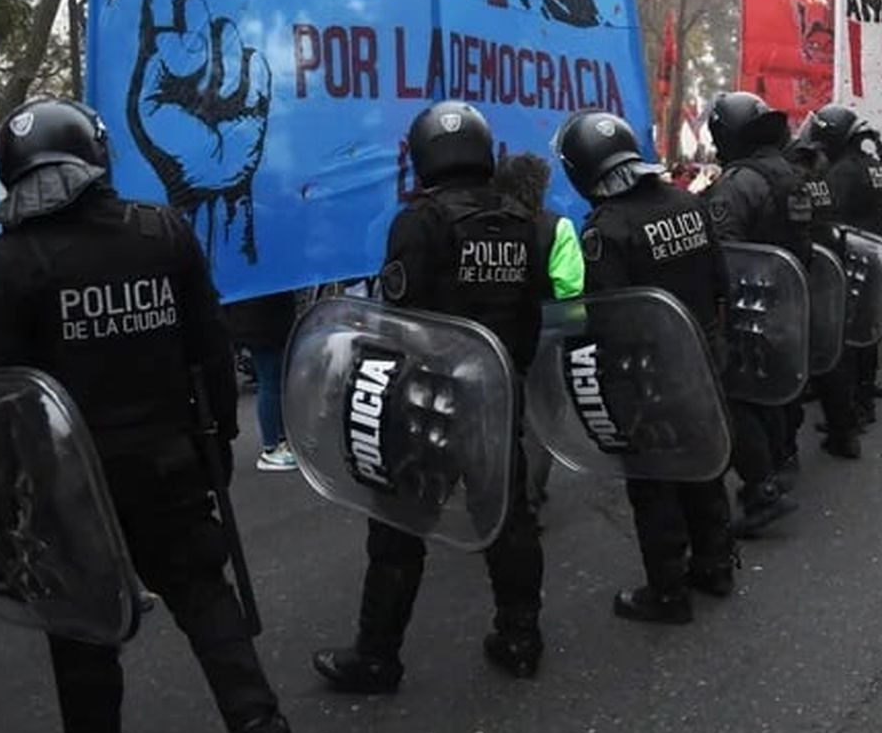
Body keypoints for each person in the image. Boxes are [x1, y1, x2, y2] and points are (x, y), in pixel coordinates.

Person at [0, 98, 291, 733]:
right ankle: (259, 725)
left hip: (66, 485)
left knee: (83, 631)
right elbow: (209, 348)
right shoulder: (160, 232)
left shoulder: (8, 263)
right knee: (203, 596)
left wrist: (1, 498)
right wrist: (218, 439)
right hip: (167, 463)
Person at [313, 102, 570, 691]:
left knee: (399, 528)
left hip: (428, 399)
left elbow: (399, 323)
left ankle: (377, 656)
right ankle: (521, 637)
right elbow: (532, 311)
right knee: (508, 521)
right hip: (497, 393)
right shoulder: (522, 220)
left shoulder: (420, 222)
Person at [555, 109, 736, 623]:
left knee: (654, 483)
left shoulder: (607, 229)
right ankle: (715, 565)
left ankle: (667, 592)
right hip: (701, 359)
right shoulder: (687, 202)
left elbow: (607, 318)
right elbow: (721, 279)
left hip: (647, 377)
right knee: (704, 466)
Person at [703, 91, 807, 535]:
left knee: (739, 396)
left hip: (752, 304)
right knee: (778, 387)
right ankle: (783, 458)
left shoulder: (740, 182)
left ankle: (762, 489)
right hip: (791, 300)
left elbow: (723, 252)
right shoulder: (792, 173)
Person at [492, 152, 586, 516]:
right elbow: (570, 290)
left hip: (493, 335)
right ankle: (528, 497)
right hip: (543, 336)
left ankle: (494, 491)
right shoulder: (556, 226)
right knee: (540, 419)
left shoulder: (485, 226)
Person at [810, 104, 882, 419]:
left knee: (847, 336)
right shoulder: (874, 163)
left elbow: (830, 214)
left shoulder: (842, 171)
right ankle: (866, 393)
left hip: (849, 257)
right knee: (868, 329)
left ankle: (852, 407)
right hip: (875, 250)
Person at [788, 114, 860, 460]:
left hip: (804, 272)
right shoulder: (825, 173)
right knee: (834, 354)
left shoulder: (794, 176)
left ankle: (787, 451)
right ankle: (843, 431)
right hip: (830, 268)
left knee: (799, 354)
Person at [223, 292, 298, 472]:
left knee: (275, 381)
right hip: (262, 322)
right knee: (270, 382)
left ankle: (280, 441)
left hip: (262, 320)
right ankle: (270, 446)